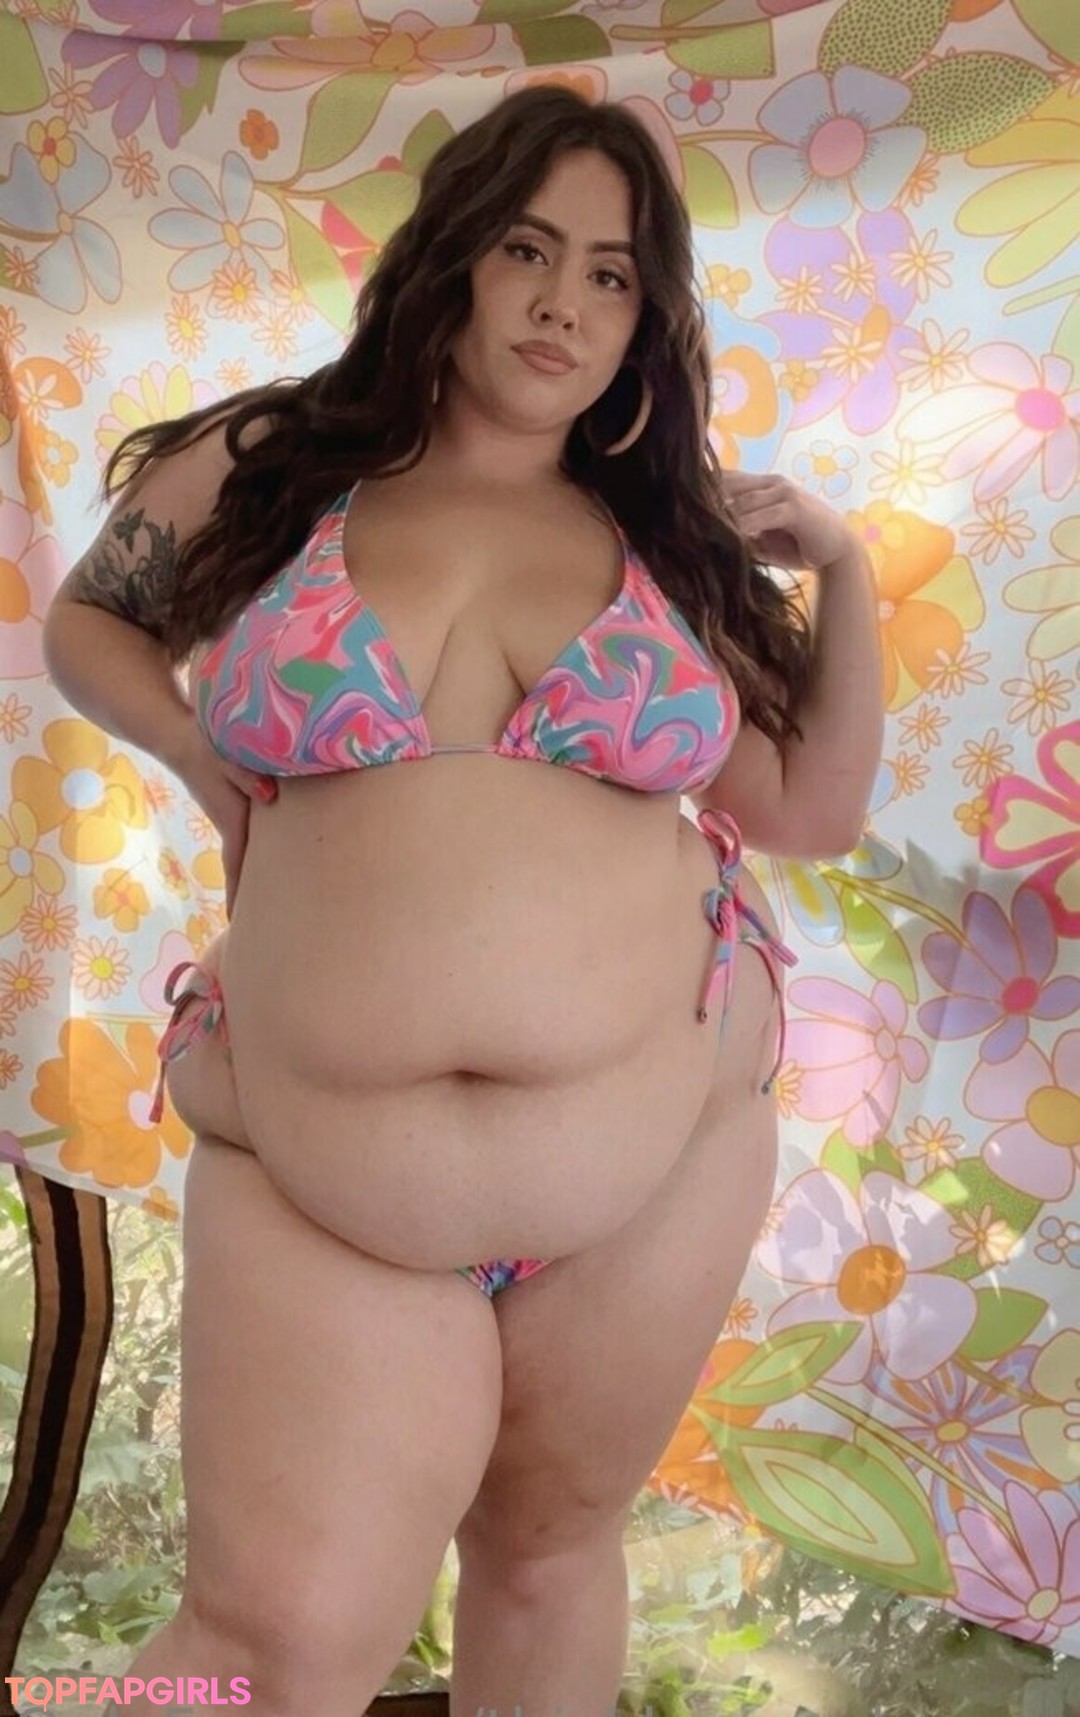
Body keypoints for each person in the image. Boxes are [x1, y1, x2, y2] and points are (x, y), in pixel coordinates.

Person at [42, 84, 883, 1717]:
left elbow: (809, 808)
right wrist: (204, 762)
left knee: (548, 1555)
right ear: (455, 256)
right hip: (325, 1171)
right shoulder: (278, 465)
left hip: (652, 1158)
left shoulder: (666, 532)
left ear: (645, 319)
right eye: (528, 250)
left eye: (612, 275)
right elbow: (93, 624)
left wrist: (840, 567)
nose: (565, 303)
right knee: (267, 1642)